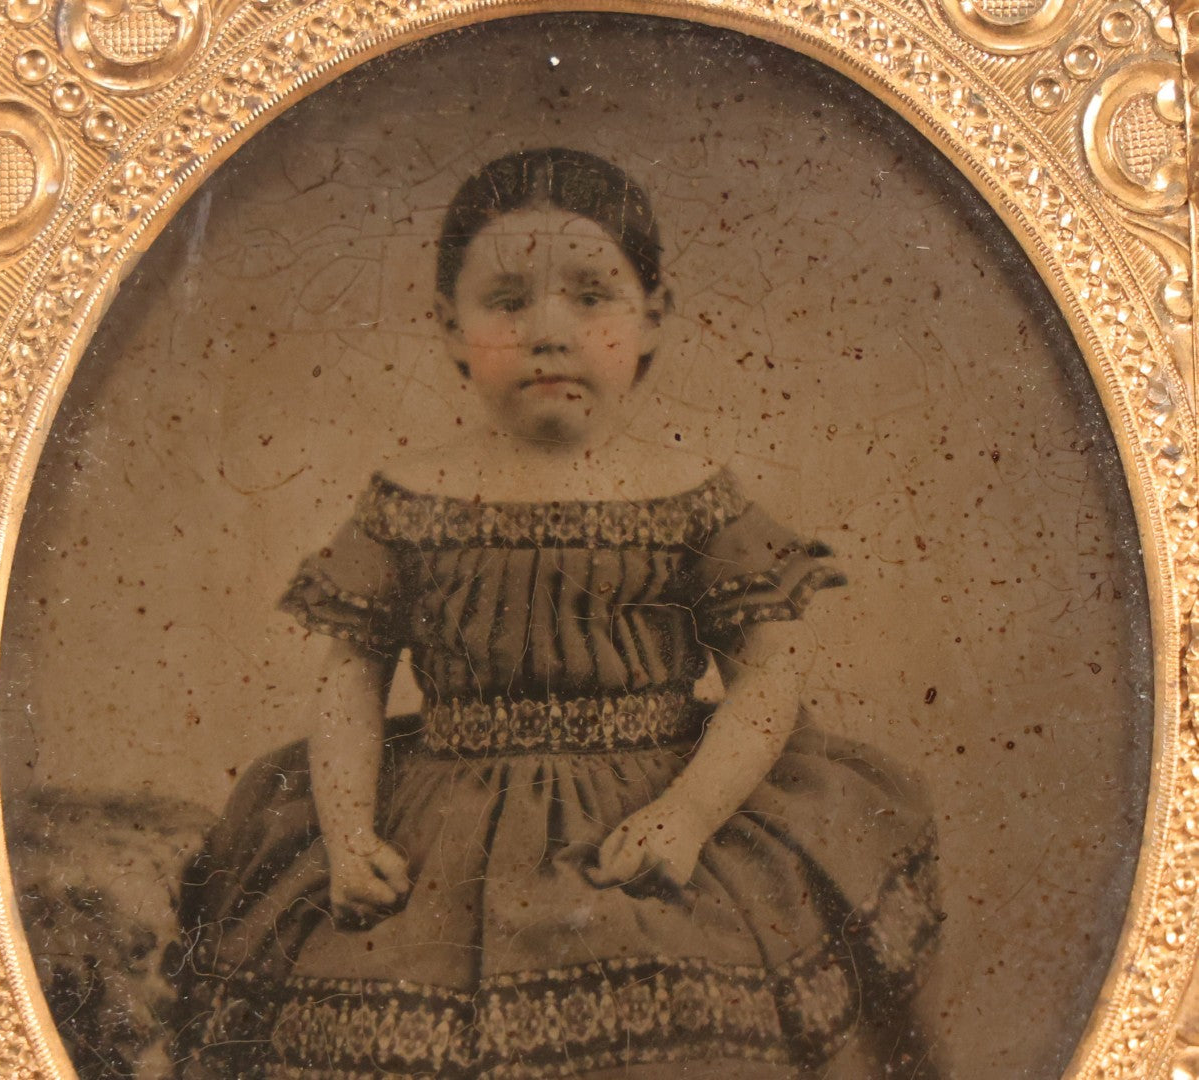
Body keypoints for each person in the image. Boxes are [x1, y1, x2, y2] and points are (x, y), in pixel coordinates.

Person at [173, 147, 941, 1078]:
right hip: (440, 834)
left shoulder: (693, 495)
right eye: (507, 302)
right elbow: (351, 673)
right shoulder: (409, 498)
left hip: (645, 818)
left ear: (650, 319)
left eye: (590, 296)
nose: (549, 331)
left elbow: (770, 672)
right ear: (450, 328)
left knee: (690, 993)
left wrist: (690, 814)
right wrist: (347, 832)